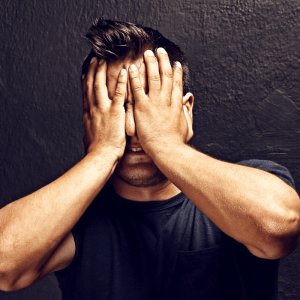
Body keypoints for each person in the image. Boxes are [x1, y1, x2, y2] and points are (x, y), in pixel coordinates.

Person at [0, 19, 299, 300]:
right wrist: (102, 153)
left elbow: (278, 229)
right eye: (116, 105)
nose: (131, 127)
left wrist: (164, 143)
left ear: (186, 110)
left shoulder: (252, 183)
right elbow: (4, 264)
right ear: (92, 116)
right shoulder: (76, 218)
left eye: (147, 103)